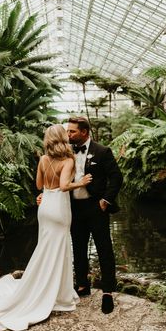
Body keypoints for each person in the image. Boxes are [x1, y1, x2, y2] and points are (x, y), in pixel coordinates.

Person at [0, 124, 92, 331]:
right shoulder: (68, 160)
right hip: (59, 208)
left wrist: (49, 188)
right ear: (61, 139)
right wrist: (81, 182)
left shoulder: (43, 160)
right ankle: (60, 295)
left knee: (46, 247)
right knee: (59, 249)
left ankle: (48, 288)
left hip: (46, 205)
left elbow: (39, 186)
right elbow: (65, 185)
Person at [67, 116, 123, 314]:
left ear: (84, 132)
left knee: (104, 248)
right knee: (79, 247)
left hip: (96, 207)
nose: (68, 134)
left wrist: (106, 200)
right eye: (68, 131)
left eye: (72, 131)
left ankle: (108, 291)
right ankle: (82, 285)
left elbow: (116, 177)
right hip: (74, 208)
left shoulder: (102, 151)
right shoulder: (67, 151)